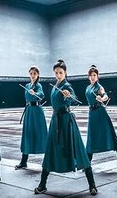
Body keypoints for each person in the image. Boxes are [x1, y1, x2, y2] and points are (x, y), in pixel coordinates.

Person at [34, 59, 97, 195]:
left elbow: (73, 97)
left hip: (67, 122)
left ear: (65, 72)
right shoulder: (55, 85)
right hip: (56, 121)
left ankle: (92, 185)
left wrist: (69, 96)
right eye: (56, 73)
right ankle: (42, 184)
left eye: (60, 73)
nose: (58, 75)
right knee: (50, 151)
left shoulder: (67, 85)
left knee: (78, 151)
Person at [85, 64, 117, 172]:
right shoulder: (88, 88)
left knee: (112, 136)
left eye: (94, 75)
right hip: (92, 114)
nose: (93, 77)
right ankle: (87, 165)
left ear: (97, 76)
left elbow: (105, 95)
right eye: (91, 75)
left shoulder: (99, 87)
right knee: (91, 139)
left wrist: (102, 99)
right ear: (88, 77)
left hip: (101, 113)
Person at [15, 65, 47, 170]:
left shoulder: (39, 86)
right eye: (31, 73)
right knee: (27, 135)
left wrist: (35, 93)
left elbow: (41, 95)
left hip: (37, 112)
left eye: (35, 74)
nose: (32, 75)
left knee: (40, 134)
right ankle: (24, 161)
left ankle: (47, 161)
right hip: (29, 111)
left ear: (38, 75)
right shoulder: (28, 85)